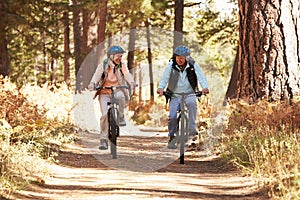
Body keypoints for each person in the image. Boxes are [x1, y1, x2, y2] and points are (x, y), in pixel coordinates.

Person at [156, 45, 209, 149]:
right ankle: (172, 136)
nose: (180, 60)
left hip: (190, 93)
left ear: (187, 57)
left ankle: (192, 128)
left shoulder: (193, 65)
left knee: (191, 104)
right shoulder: (171, 65)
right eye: (178, 57)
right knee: (172, 116)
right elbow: (165, 78)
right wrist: (161, 88)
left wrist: (205, 87)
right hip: (175, 94)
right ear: (175, 57)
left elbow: (200, 76)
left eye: (182, 57)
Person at [88, 45, 136, 150]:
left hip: (118, 89)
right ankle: (103, 140)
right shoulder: (104, 64)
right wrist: (92, 84)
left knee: (121, 97)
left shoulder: (122, 65)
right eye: (118, 56)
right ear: (111, 56)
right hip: (104, 91)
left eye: (121, 56)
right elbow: (97, 75)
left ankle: (121, 116)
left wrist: (131, 82)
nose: (120, 58)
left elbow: (127, 74)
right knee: (104, 115)